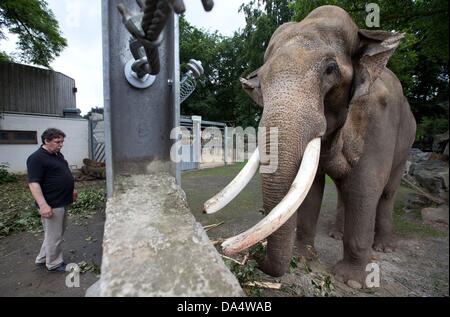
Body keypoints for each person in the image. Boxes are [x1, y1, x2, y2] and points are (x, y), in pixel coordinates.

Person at [26, 128, 77, 272]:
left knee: (55, 233)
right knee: (54, 235)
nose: (61, 144)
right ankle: (54, 264)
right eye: (57, 141)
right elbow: (33, 183)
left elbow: (63, 173)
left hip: (62, 200)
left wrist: (72, 189)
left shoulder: (57, 154)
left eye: (62, 141)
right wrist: (43, 205)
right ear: (46, 141)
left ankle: (42, 258)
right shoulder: (36, 158)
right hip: (52, 204)